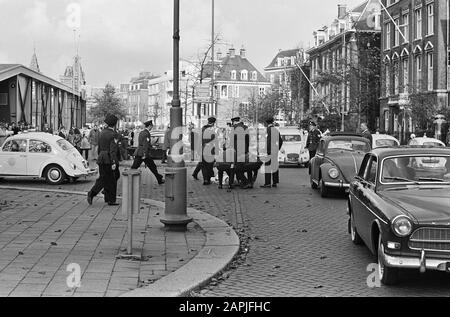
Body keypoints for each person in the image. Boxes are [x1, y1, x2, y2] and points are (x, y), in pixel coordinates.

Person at [87, 114, 120, 206]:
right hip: (109, 158)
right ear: (114, 124)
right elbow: (113, 149)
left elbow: (100, 147)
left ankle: (107, 195)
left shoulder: (102, 132)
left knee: (107, 177)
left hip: (102, 157)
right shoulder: (113, 135)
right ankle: (101, 195)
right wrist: (114, 161)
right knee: (109, 179)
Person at [131, 121, 165, 185]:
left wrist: (152, 146)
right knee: (135, 167)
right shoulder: (147, 133)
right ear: (149, 126)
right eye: (152, 126)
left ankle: (159, 179)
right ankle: (129, 179)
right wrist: (144, 154)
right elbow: (145, 145)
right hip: (143, 153)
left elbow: (144, 143)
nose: (152, 127)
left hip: (140, 152)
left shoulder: (142, 132)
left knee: (152, 166)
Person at [261, 117, 283, 188]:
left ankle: (267, 183)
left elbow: (267, 142)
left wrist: (265, 150)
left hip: (269, 151)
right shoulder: (276, 130)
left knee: (267, 166)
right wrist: (277, 148)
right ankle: (275, 182)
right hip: (275, 151)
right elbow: (280, 141)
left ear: (267, 123)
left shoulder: (268, 130)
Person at [201, 117, 217, 186]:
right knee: (209, 165)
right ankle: (210, 178)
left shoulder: (203, 128)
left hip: (203, 148)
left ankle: (206, 179)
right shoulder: (212, 130)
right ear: (213, 123)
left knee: (204, 165)